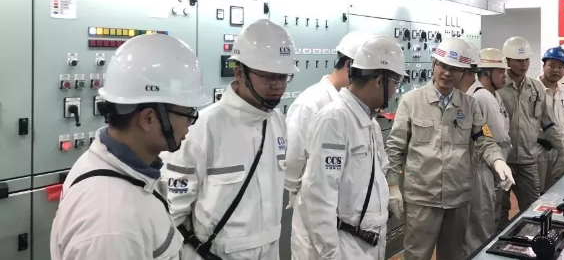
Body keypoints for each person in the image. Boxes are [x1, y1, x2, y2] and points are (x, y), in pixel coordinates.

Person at [51, 34, 209, 260]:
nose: (190, 124)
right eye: (188, 114)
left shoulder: (123, 171)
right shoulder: (111, 228)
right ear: (148, 118)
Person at [161, 19, 296, 260]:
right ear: (239, 73)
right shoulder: (203, 127)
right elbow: (173, 213)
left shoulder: (277, 122)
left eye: (283, 77)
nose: (277, 86)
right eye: (268, 77)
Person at [386, 38, 513, 260]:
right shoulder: (411, 101)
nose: (447, 73)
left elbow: (484, 139)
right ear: (433, 64)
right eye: (443, 66)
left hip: (458, 198)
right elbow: (395, 148)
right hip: (422, 198)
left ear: (463, 73)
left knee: (453, 255)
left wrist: (498, 161)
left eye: (455, 69)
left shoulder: (469, 104)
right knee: (417, 255)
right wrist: (392, 186)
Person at [297, 37, 405, 260]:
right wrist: (330, 255)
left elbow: (378, 170)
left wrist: (391, 189)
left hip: (367, 240)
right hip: (344, 245)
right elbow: (318, 200)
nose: (395, 91)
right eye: (395, 83)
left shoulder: (369, 121)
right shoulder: (334, 120)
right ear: (379, 81)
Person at [285, 31, 374, 259]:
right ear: (349, 65)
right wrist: (298, 193)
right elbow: (293, 160)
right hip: (314, 218)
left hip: (348, 222)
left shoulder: (357, 106)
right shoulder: (310, 103)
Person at [498, 36, 564, 229]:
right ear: (507, 60)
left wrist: (563, 152)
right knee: (499, 211)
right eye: (518, 60)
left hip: (528, 160)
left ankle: (530, 242)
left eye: (526, 60)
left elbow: (548, 123)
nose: (524, 65)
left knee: (534, 209)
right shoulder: (498, 87)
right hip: (502, 161)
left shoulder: (536, 88)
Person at [461, 48, 513, 256]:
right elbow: (495, 137)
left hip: (493, 165)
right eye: (500, 72)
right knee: (481, 224)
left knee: (489, 219)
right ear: (485, 73)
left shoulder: (492, 94)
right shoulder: (481, 96)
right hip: (483, 166)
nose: (504, 76)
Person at [536, 47, 564, 193]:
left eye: (560, 67)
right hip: (539, 150)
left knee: (558, 191)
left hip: (561, 150)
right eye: (551, 65)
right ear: (544, 66)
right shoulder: (533, 89)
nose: (556, 70)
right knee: (538, 193)